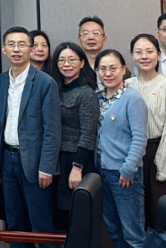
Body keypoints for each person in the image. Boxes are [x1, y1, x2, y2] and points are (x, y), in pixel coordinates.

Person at [0, 27, 60, 248]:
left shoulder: (44, 83)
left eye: (22, 44)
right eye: (11, 44)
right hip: (7, 159)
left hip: (35, 162)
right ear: (4, 49)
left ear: (31, 49)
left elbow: (52, 130)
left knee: (41, 223)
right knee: (15, 223)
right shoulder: (0, 81)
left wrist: (47, 167)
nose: (16, 49)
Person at [95, 50, 146, 248]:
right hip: (103, 171)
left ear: (123, 69)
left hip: (124, 174)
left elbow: (139, 137)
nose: (108, 73)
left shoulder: (132, 98)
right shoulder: (98, 98)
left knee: (132, 234)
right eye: (102, 69)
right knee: (114, 230)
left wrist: (128, 169)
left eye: (113, 68)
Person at [49, 42, 98, 226]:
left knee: (74, 216)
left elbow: (88, 134)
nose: (66, 64)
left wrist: (77, 167)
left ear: (82, 63)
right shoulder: (54, 90)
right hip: (56, 159)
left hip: (75, 161)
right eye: (61, 60)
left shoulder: (86, 93)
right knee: (57, 217)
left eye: (71, 59)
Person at [126, 34, 166, 228]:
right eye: (138, 52)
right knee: (135, 212)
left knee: (157, 211)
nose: (144, 56)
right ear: (132, 56)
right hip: (131, 153)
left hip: (157, 151)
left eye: (149, 51)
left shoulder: (164, 85)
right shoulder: (126, 86)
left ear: (158, 55)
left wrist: (162, 164)